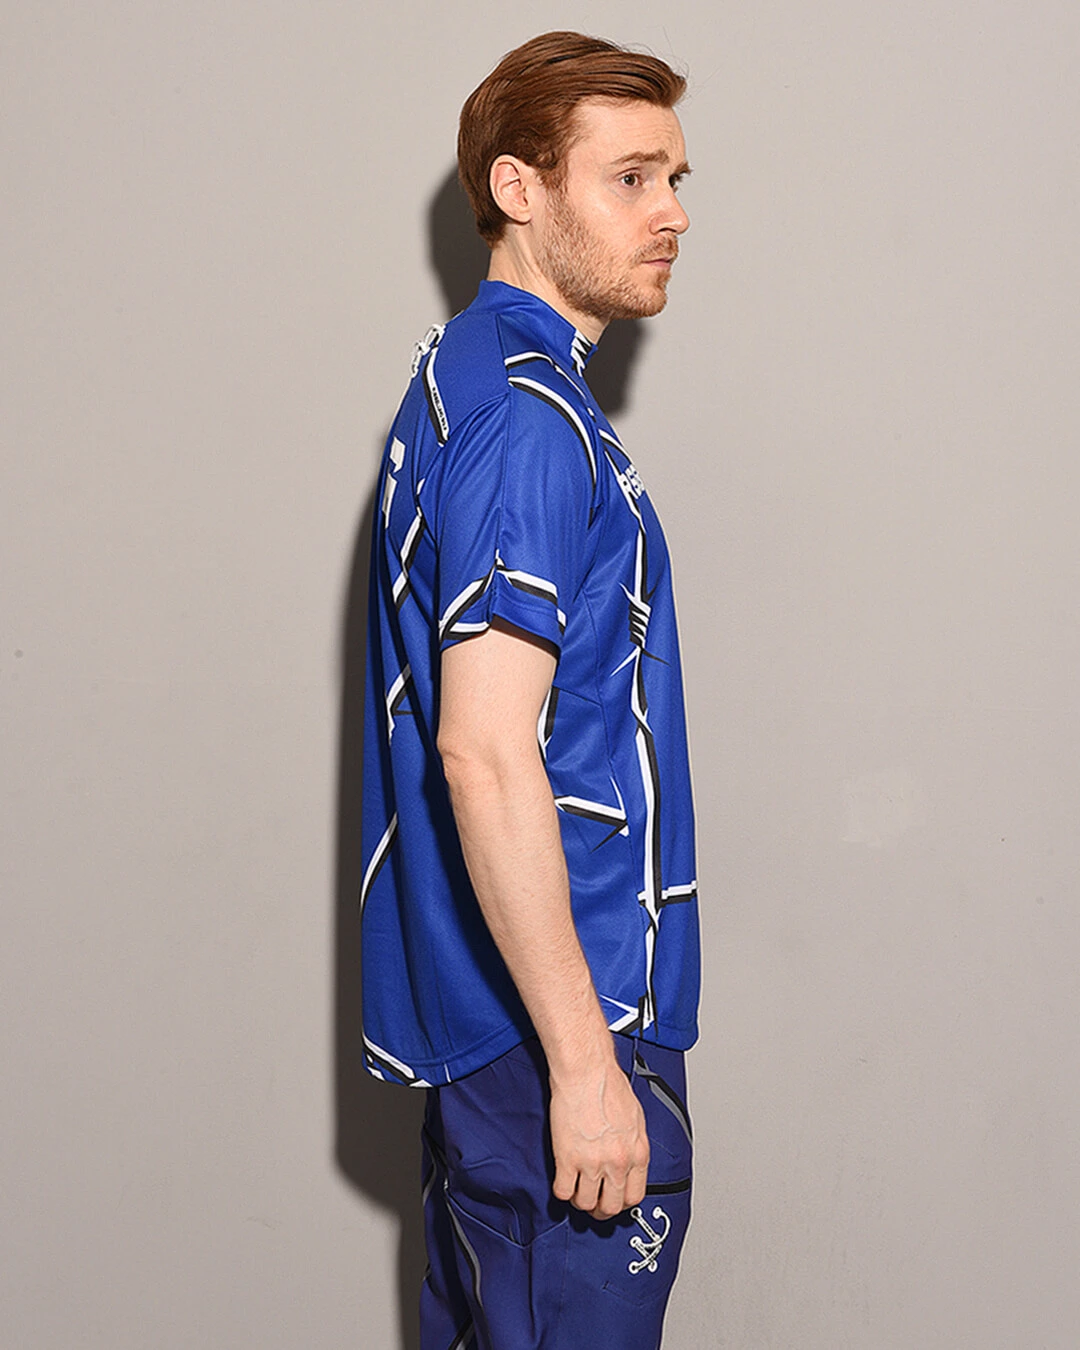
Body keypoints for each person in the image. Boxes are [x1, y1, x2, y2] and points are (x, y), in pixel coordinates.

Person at [360, 30, 700, 1349]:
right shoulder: (525, 422)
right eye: (629, 178)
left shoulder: (468, 381)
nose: (671, 214)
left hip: (496, 1029)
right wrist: (583, 1063)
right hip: (563, 1019)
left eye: (675, 178)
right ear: (518, 187)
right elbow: (485, 751)